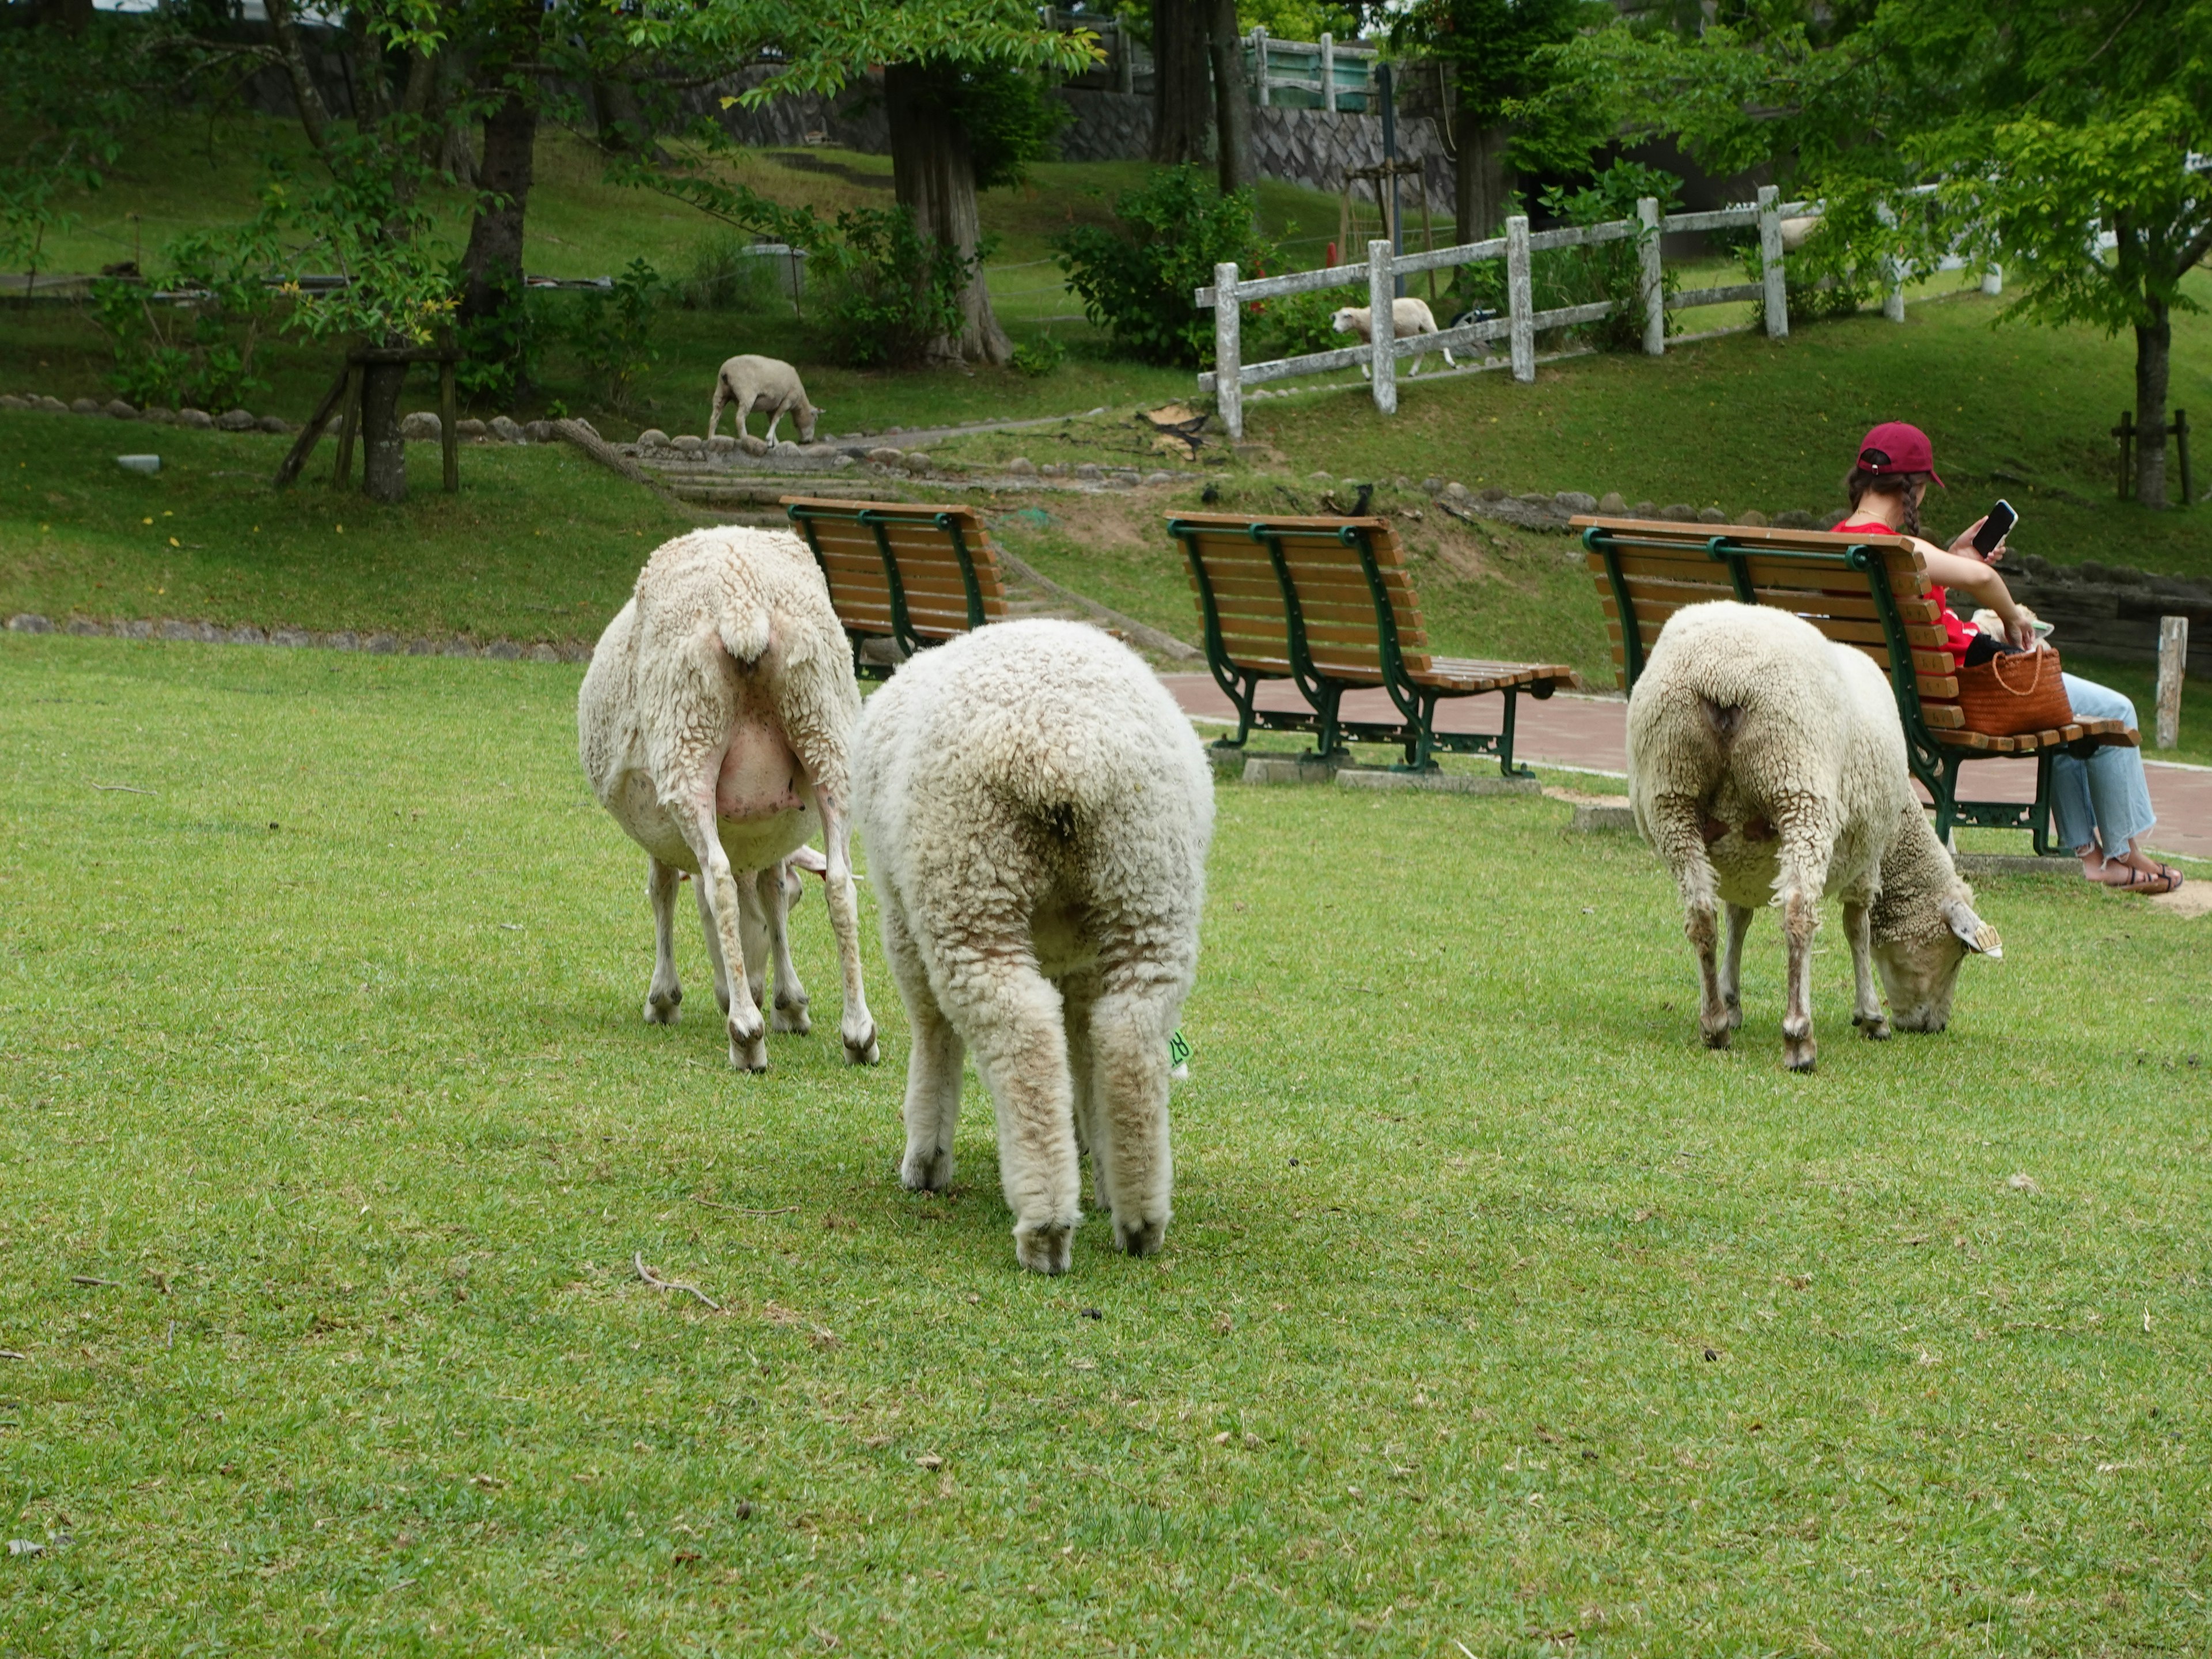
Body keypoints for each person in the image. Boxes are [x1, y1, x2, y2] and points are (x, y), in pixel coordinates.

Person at [1832, 421, 2181, 895]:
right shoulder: (1901, 547)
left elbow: (1908, 599)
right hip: (1969, 689)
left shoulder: (1841, 543)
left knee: (2064, 710)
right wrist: (2014, 618)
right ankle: (2124, 853)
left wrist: (1954, 557)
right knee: (2114, 708)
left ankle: (2092, 857)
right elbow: (1986, 585)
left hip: (1911, 692)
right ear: (1913, 488)